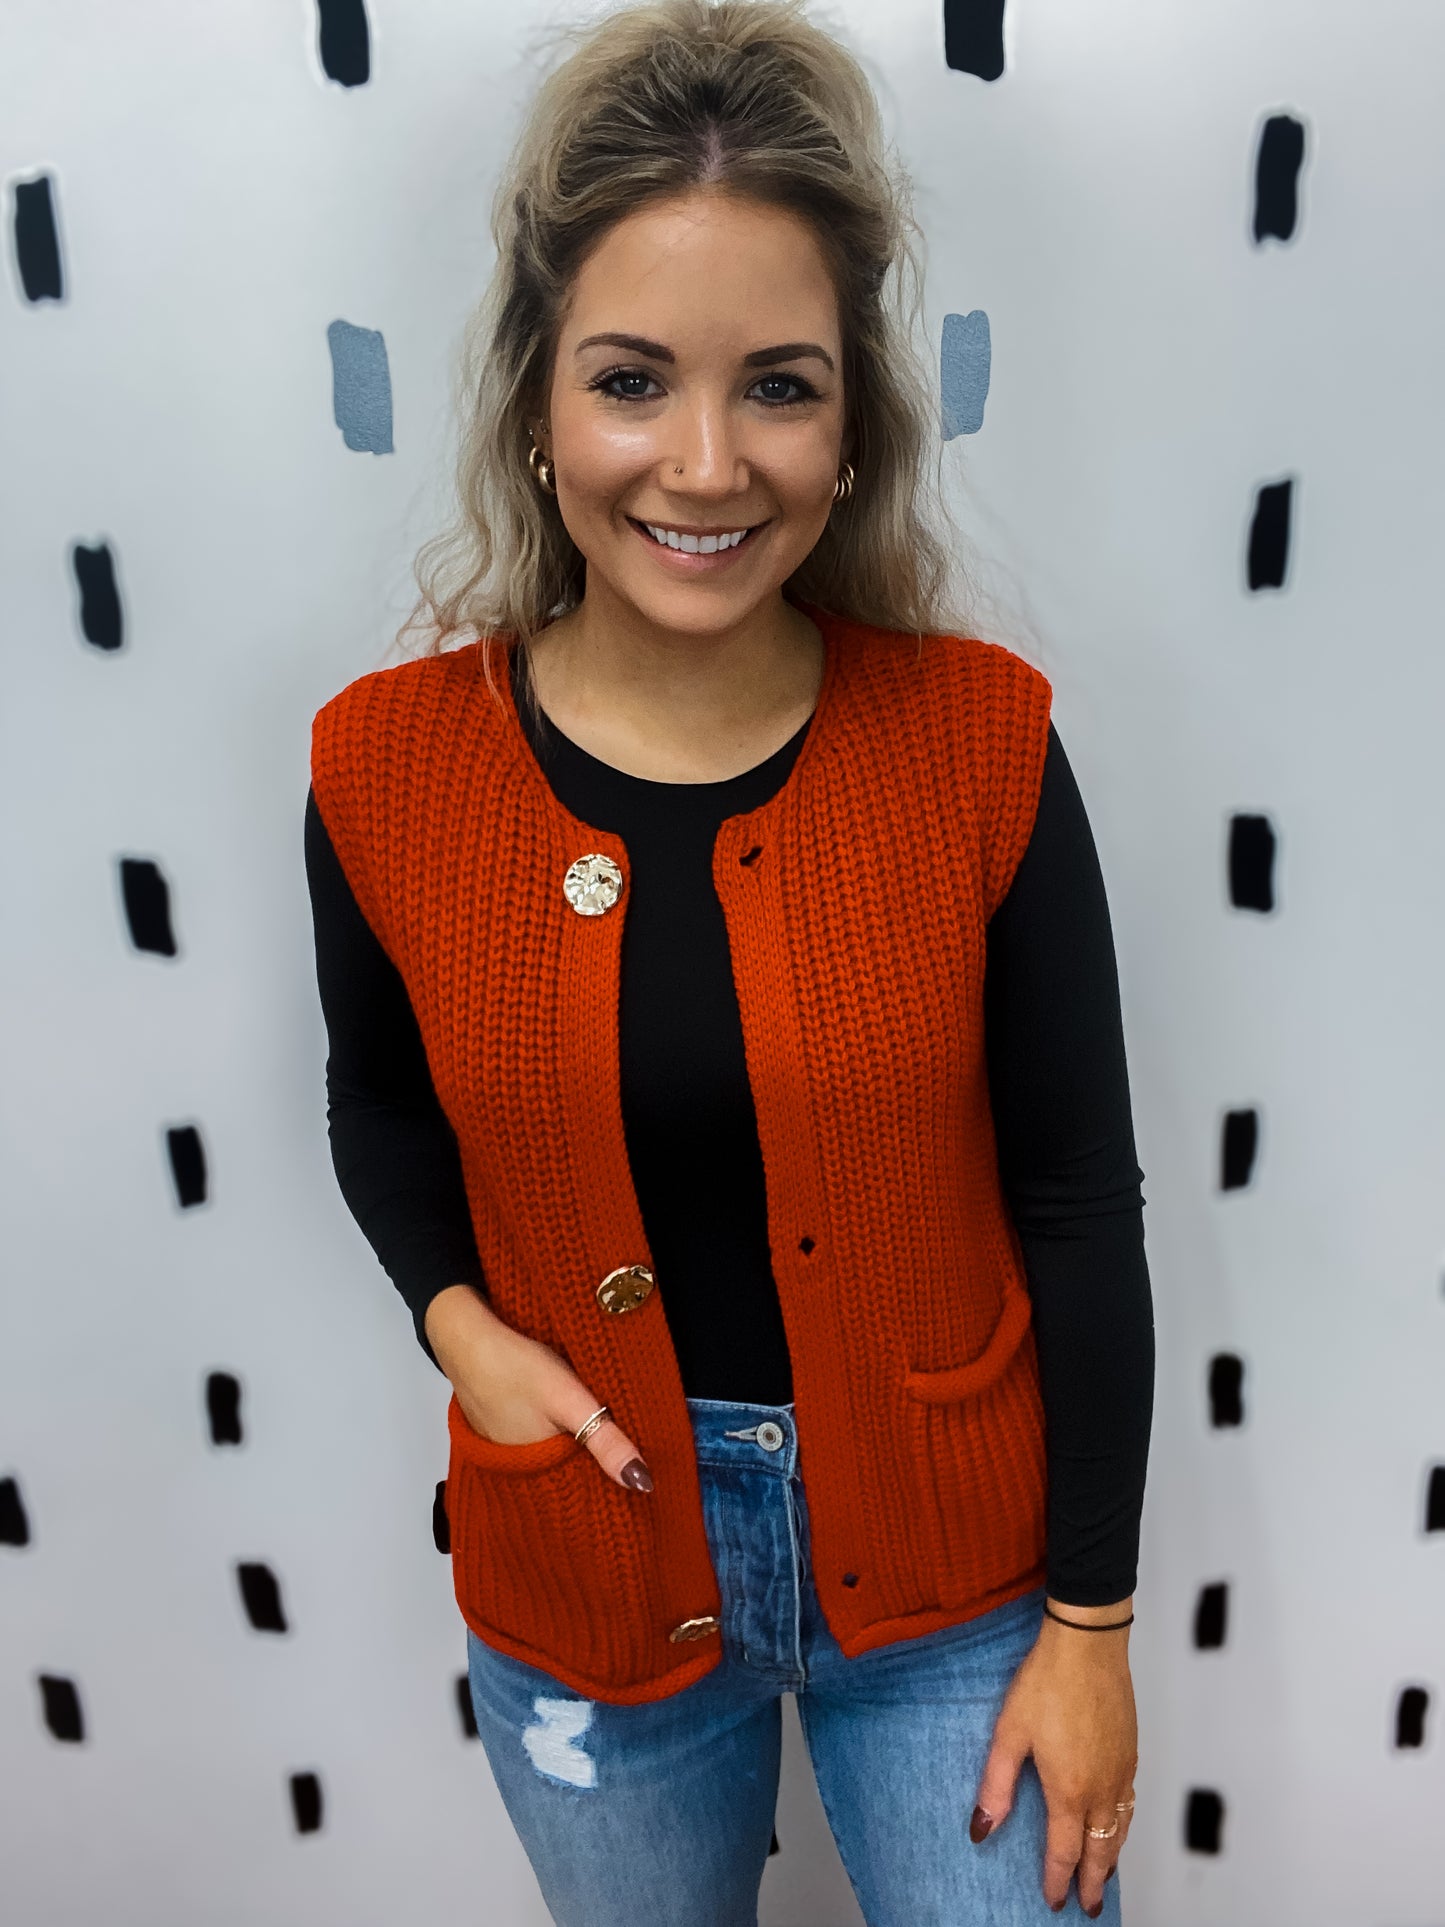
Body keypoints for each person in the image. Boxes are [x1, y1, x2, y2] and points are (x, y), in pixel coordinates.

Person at [304, 1, 1154, 1920]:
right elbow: (373, 1096)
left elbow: (1078, 1206)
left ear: (854, 421)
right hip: (581, 1572)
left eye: (777, 383)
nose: (703, 462)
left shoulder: (980, 744)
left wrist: (1093, 1622)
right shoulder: (381, 765)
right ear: (536, 404)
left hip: (960, 1592)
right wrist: (469, 1340)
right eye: (631, 381)